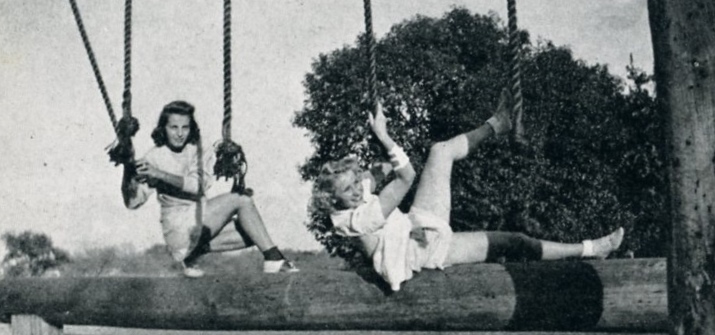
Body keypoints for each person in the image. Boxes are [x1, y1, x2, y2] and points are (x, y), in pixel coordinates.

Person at [310, 90, 624, 291]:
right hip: (420, 252)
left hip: (416, 228)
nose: (356, 191)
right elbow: (406, 176)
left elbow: (378, 172)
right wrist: (384, 136)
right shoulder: (358, 220)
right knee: (514, 241)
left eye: (355, 183)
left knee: (440, 151)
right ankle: (590, 249)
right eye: (347, 190)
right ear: (333, 200)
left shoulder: (353, 197)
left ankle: (497, 123)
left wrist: (377, 146)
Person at [121, 100, 298, 278]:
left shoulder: (198, 152)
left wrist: (159, 174)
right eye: (174, 127)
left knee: (254, 230)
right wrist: (127, 171)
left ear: (191, 128)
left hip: (196, 224)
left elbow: (196, 186)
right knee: (241, 200)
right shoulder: (153, 157)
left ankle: (193, 254)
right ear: (163, 128)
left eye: (185, 127)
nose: (180, 134)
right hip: (177, 229)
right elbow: (132, 202)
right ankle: (274, 259)